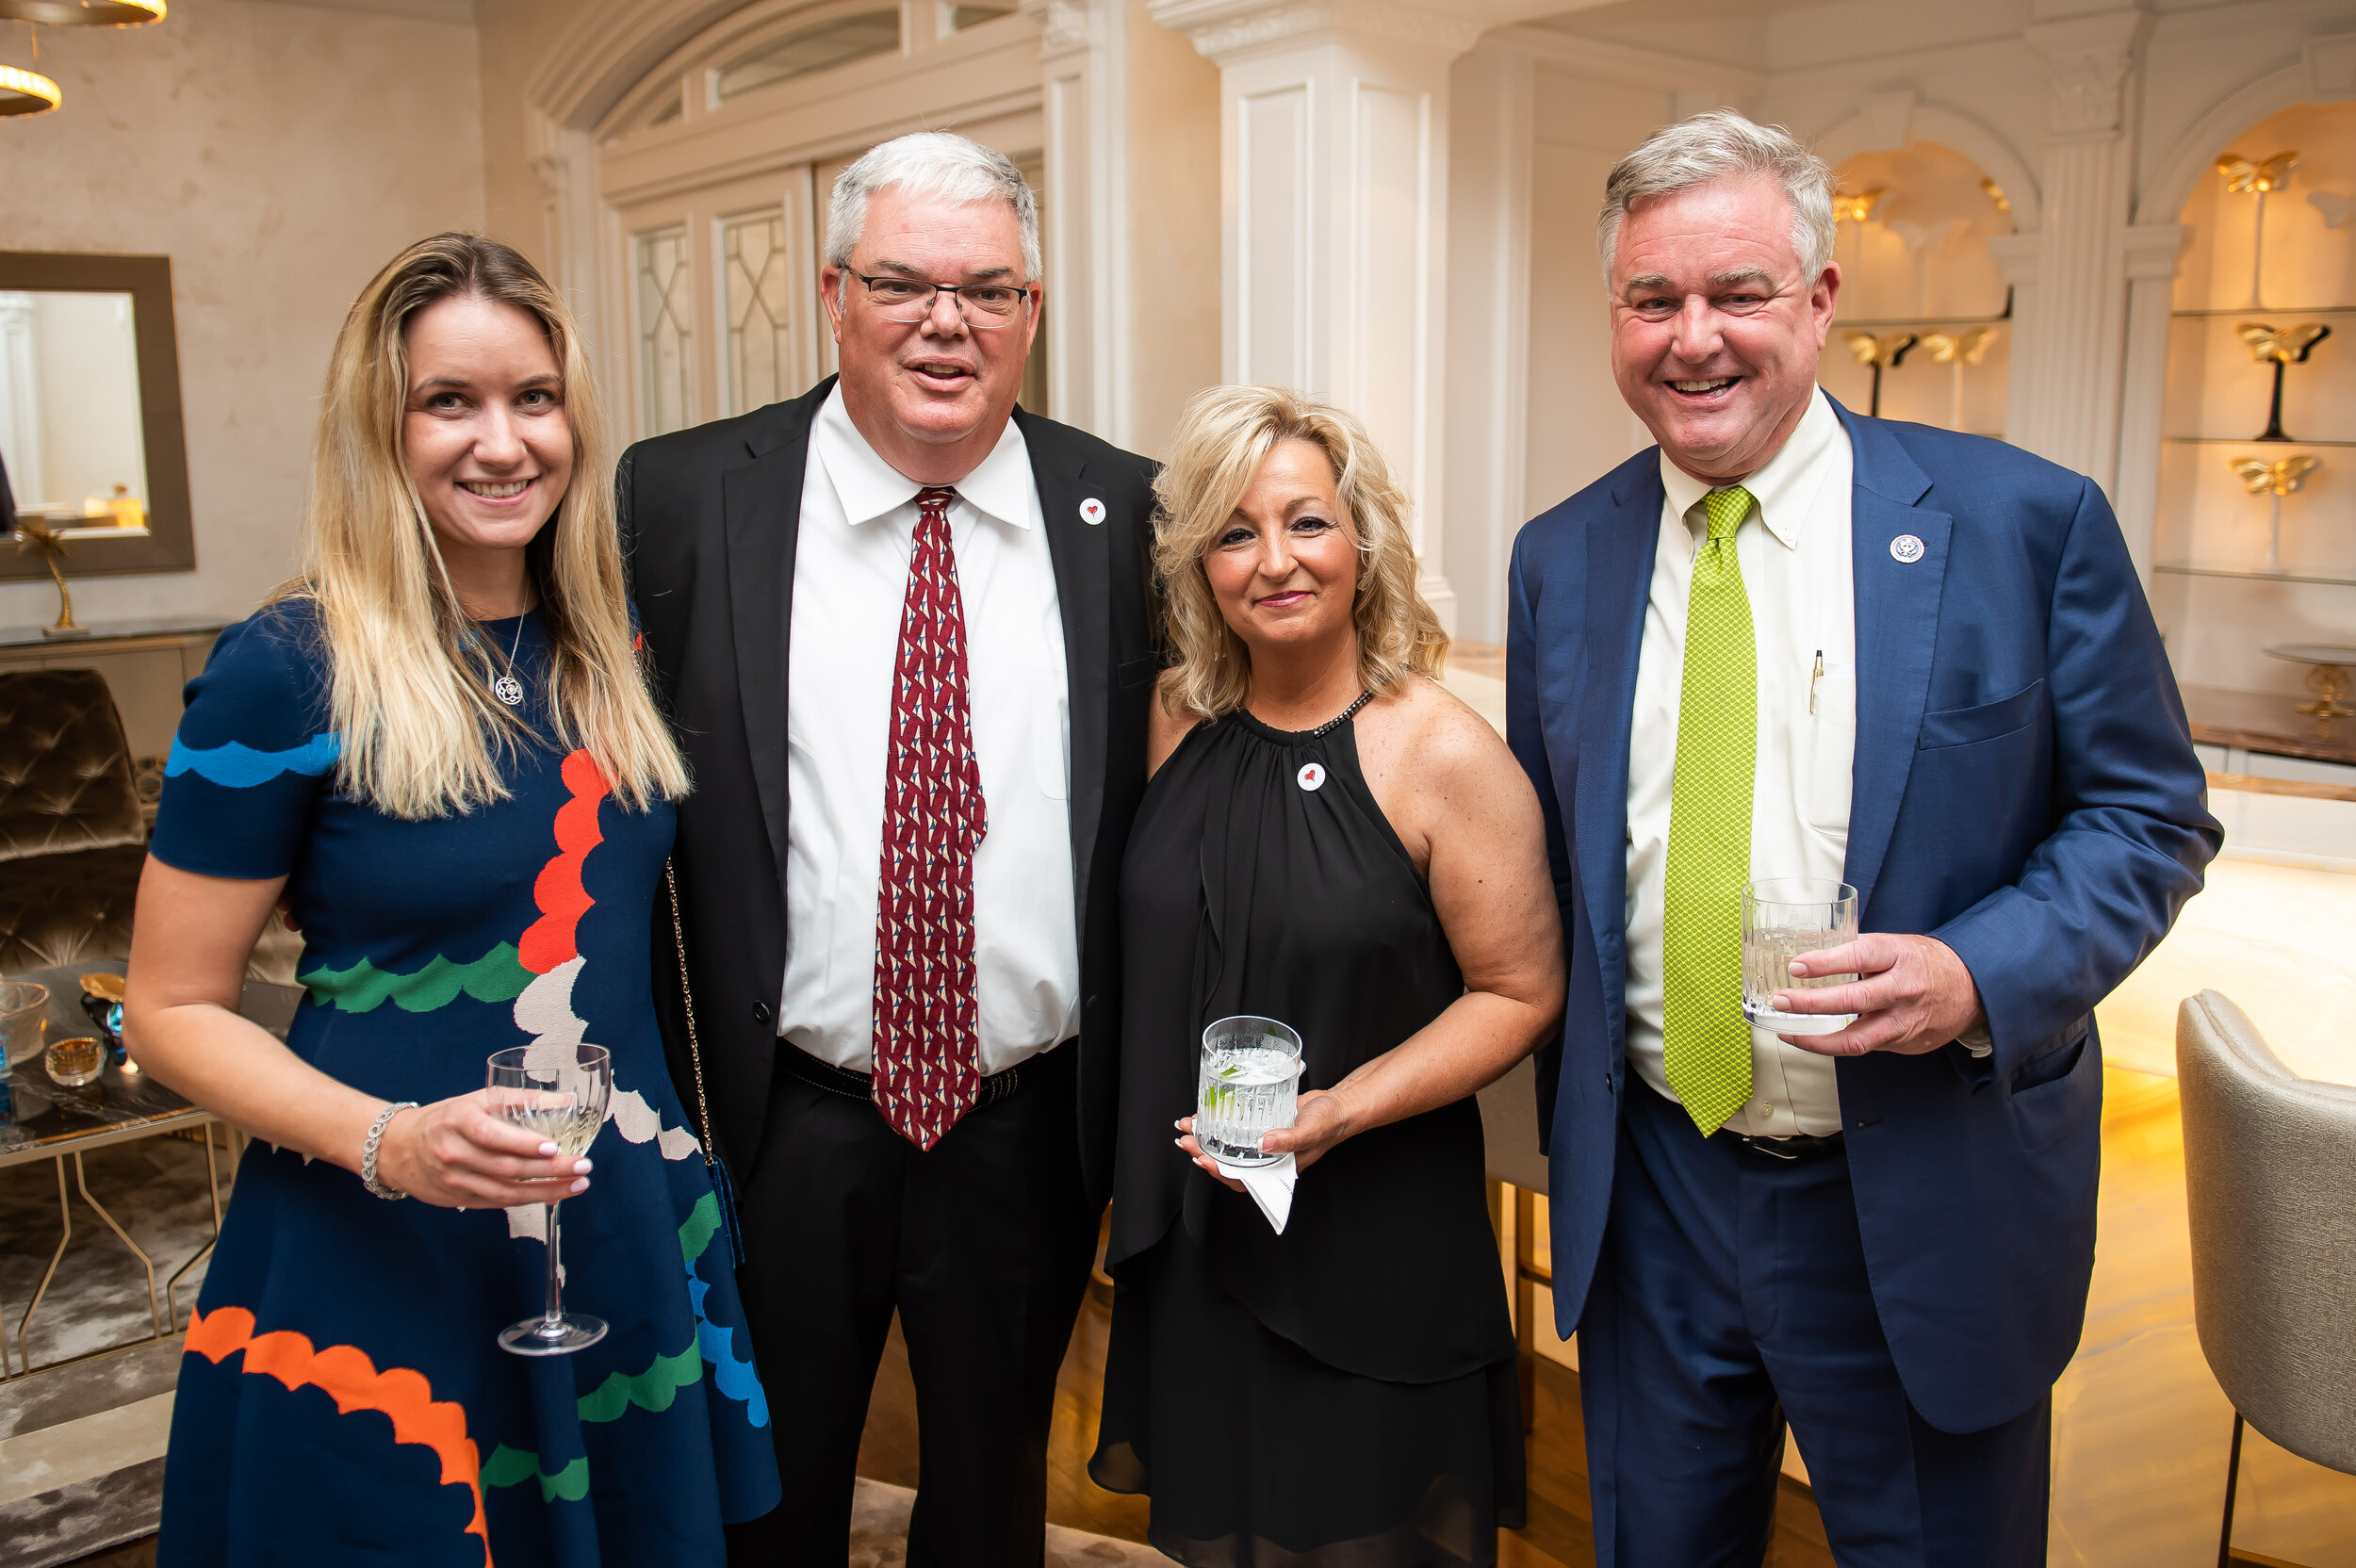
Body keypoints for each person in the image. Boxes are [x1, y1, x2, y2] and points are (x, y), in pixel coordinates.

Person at [1505, 110, 2221, 1565]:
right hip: (1653, 1198)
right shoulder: (1559, 555)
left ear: (1822, 301)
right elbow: (1546, 858)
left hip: (1915, 1200)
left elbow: (2149, 815)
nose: (1692, 339)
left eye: (1738, 293)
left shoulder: (2024, 525)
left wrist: (1974, 973)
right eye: (1654, 300)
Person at [125, 234, 779, 1567]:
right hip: (384, 1233)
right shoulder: (286, 669)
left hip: (611, 1210)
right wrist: (394, 1145)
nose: (503, 443)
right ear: (383, 427)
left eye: (534, 398)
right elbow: (169, 1010)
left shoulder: (609, 645)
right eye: (450, 402)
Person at [620, 132, 1160, 1565]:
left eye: (988, 289)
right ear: (834, 295)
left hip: (1030, 1123)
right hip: (784, 1114)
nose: (947, 322)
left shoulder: (1128, 513)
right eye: (905, 283)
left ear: (1033, 311)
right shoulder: (678, 498)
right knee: (768, 1491)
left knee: (992, 1498)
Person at [1088, 384, 1562, 1566]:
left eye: (1306, 521)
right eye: (1234, 531)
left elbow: (1520, 989)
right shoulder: (1172, 719)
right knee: (1219, 1539)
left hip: (1372, 1238)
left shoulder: (1446, 752)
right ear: (1199, 565)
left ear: (1362, 541)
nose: (1274, 560)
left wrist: (1339, 1112)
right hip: (1207, 1228)